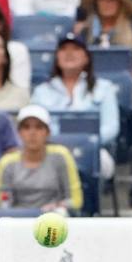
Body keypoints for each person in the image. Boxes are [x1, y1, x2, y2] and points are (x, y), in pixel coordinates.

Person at [30, 33, 119, 173]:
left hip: (91, 150)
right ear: (57, 57)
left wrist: (86, 142)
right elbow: (34, 125)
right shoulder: (41, 92)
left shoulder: (105, 88)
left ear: (86, 57)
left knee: (101, 162)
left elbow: (111, 127)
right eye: (64, 49)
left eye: (76, 49)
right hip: (51, 148)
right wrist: (61, 142)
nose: (69, 53)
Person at [0, 104, 82, 214]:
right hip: (18, 221)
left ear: (48, 132)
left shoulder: (61, 156)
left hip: (53, 220)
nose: (32, 133)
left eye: (39, 127)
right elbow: (4, 204)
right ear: (19, 133)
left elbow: (76, 200)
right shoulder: (7, 163)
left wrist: (57, 206)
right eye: (26, 127)